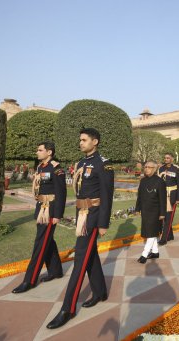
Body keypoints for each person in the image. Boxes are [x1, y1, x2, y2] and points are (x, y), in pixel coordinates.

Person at [46, 128, 114, 329]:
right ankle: (100, 291)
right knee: (89, 254)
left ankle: (67, 308)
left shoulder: (104, 164)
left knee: (80, 259)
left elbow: (106, 195)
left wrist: (103, 223)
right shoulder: (82, 163)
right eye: (80, 140)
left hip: (93, 217)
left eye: (84, 140)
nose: (81, 143)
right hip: (82, 214)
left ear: (96, 141)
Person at [12, 142, 66, 294]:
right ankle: (56, 271)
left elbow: (61, 193)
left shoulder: (57, 168)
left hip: (50, 211)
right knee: (47, 241)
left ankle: (29, 280)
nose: (37, 152)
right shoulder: (40, 167)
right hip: (41, 209)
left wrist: (57, 215)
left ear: (49, 152)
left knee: (40, 243)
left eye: (40, 150)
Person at [135, 160, 167, 263]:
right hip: (145, 210)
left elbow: (163, 199)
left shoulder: (160, 181)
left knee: (151, 233)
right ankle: (155, 252)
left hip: (155, 211)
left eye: (149, 167)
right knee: (150, 232)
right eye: (145, 167)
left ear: (154, 169)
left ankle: (144, 254)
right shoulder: (143, 180)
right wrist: (137, 208)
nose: (146, 169)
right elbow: (139, 196)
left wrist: (162, 213)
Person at [157, 153, 179, 245]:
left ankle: (164, 239)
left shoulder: (176, 169)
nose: (166, 159)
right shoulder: (161, 168)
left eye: (168, 158)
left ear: (172, 159)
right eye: (165, 158)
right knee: (164, 217)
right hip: (162, 195)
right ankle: (170, 235)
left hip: (172, 195)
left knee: (168, 217)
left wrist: (178, 198)